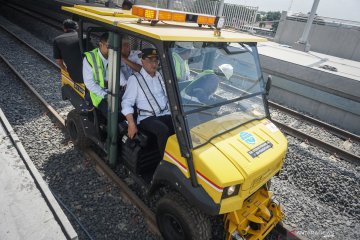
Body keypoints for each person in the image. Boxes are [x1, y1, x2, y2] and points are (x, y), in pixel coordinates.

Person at [121, 48, 174, 157]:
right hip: (147, 117)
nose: (154, 64)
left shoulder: (159, 76)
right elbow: (126, 103)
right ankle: (165, 161)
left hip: (165, 113)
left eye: (156, 60)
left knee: (180, 125)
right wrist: (131, 123)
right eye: (150, 60)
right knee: (163, 130)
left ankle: (178, 158)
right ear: (142, 62)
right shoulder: (134, 79)